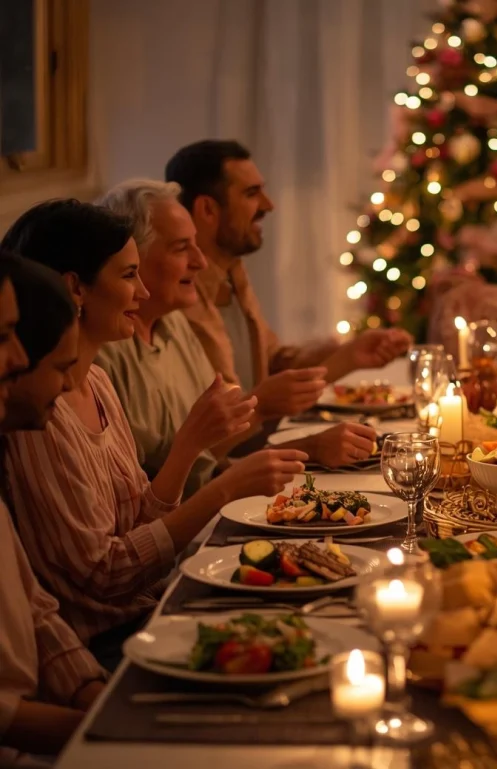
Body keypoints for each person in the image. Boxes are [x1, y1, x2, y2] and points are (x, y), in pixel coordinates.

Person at [0, 200, 307, 664]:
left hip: (152, 608)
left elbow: (141, 518)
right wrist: (220, 490)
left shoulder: (97, 381)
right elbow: (107, 574)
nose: (142, 292)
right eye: (127, 277)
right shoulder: (40, 416)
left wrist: (193, 452)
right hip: (108, 642)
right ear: (75, 288)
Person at [95, 180, 380, 496]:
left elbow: (211, 458)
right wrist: (262, 409)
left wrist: (311, 447)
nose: (200, 262)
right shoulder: (104, 354)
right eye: (180, 248)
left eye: (195, 245)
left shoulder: (175, 323)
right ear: (132, 256)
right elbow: (156, 488)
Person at [164, 139, 412, 403]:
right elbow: (224, 416)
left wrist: (351, 354)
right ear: (207, 209)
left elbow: (272, 366)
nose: (268, 205)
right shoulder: (177, 294)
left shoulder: (233, 274)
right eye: (251, 193)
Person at [0, 253, 109, 763]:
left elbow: (35, 607)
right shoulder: (36, 434)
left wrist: (95, 693)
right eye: (4, 337)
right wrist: (105, 735)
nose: (17, 357)